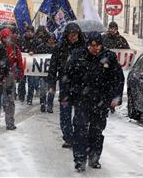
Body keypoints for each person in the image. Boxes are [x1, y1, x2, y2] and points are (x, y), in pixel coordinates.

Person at [66, 32, 124, 172]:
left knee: (96, 131)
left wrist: (116, 97)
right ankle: (80, 159)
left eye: (98, 45)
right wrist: (67, 95)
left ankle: (94, 157)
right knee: (80, 130)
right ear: (87, 45)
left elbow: (118, 79)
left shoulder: (109, 57)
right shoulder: (78, 56)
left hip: (101, 101)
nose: (95, 48)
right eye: (92, 45)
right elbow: (68, 76)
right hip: (82, 100)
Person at [47, 23, 85, 149]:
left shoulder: (84, 47)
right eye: (71, 35)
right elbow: (52, 68)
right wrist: (51, 85)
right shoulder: (59, 48)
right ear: (67, 35)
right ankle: (68, 137)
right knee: (65, 113)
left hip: (81, 86)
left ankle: (77, 135)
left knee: (80, 113)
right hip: (65, 86)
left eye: (75, 35)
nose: (73, 37)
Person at [0, 27, 24, 130]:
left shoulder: (14, 48)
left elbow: (20, 61)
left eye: (8, 37)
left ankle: (10, 122)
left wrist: (20, 73)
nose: (7, 39)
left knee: (10, 100)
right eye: (5, 37)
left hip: (9, 76)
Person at [18, 26, 38, 105]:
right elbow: (18, 49)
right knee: (22, 81)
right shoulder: (21, 40)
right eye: (28, 31)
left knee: (31, 83)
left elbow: (40, 49)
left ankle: (29, 99)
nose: (29, 33)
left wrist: (34, 51)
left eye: (31, 32)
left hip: (32, 65)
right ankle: (21, 95)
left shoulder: (36, 40)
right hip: (23, 64)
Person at [37, 32, 56, 113]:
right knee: (42, 90)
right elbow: (36, 54)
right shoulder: (42, 47)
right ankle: (43, 104)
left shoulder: (57, 48)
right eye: (50, 39)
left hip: (52, 73)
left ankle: (50, 105)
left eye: (53, 39)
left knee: (51, 90)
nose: (51, 41)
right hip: (43, 73)